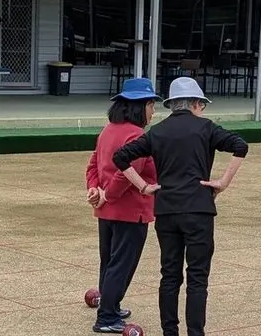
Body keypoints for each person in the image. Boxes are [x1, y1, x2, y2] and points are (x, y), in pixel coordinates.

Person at [112, 76, 248, 336]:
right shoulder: (206, 128)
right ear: (196, 103)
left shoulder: (158, 132)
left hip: (167, 209)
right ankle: (195, 333)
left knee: (170, 275)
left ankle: (169, 332)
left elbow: (121, 157)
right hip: (198, 208)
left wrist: (143, 186)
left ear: (172, 104)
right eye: (202, 105)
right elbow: (240, 146)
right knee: (197, 277)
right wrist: (222, 182)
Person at [84, 77, 160, 334]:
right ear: (139, 106)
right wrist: (107, 195)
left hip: (106, 210)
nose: (153, 111)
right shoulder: (137, 135)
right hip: (130, 210)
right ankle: (106, 317)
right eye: (151, 105)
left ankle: (110, 305)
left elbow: (93, 164)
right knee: (122, 264)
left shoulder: (108, 130)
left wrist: (94, 189)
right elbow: (128, 172)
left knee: (108, 260)